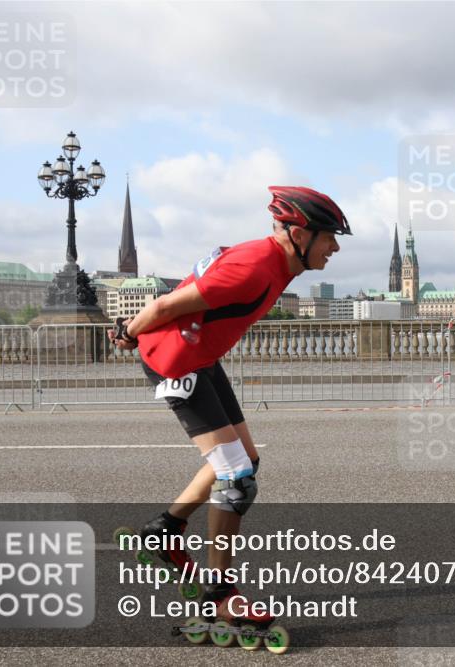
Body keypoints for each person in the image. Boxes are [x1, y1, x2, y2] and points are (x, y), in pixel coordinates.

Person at [109, 185, 350, 640]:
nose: (335, 247)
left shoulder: (276, 261)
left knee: (245, 460)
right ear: (300, 233)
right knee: (237, 479)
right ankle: (221, 595)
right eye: (330, 237)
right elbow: (164, 304)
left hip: (199, 354)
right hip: (177, 359)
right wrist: (128, 331)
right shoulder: (255, 266)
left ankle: (165, 530)